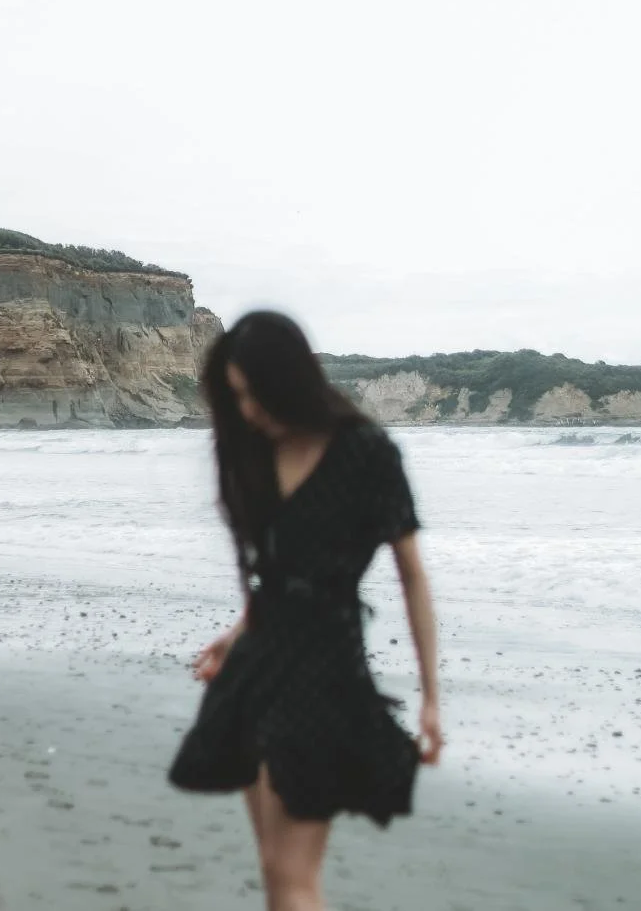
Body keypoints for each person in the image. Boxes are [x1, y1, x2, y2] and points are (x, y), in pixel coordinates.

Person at [168, 311, 443, 911]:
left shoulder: (367, 453)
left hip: (326, 671)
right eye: (234, 398)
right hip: (258, 667)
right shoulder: (255, 455)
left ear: (287, 380)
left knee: (294, 877)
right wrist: (235, 635)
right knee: (274, 869)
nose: (245, 411)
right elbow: (276, 575)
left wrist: (429, 698)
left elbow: (413, 578)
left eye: (251, 394)